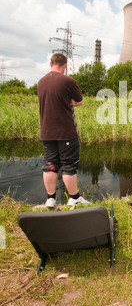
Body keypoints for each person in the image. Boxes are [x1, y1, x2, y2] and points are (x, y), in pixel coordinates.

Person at [37, 53, 89, 208]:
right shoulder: (68, 81)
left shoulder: (41, 82)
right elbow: (79, 101)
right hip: (65, 132)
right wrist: (69, 102)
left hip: (46, 131)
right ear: (65, 65)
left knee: (50, 164)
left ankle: (50, 199)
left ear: (50, 63)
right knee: (68, 166)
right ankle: (74, 198)